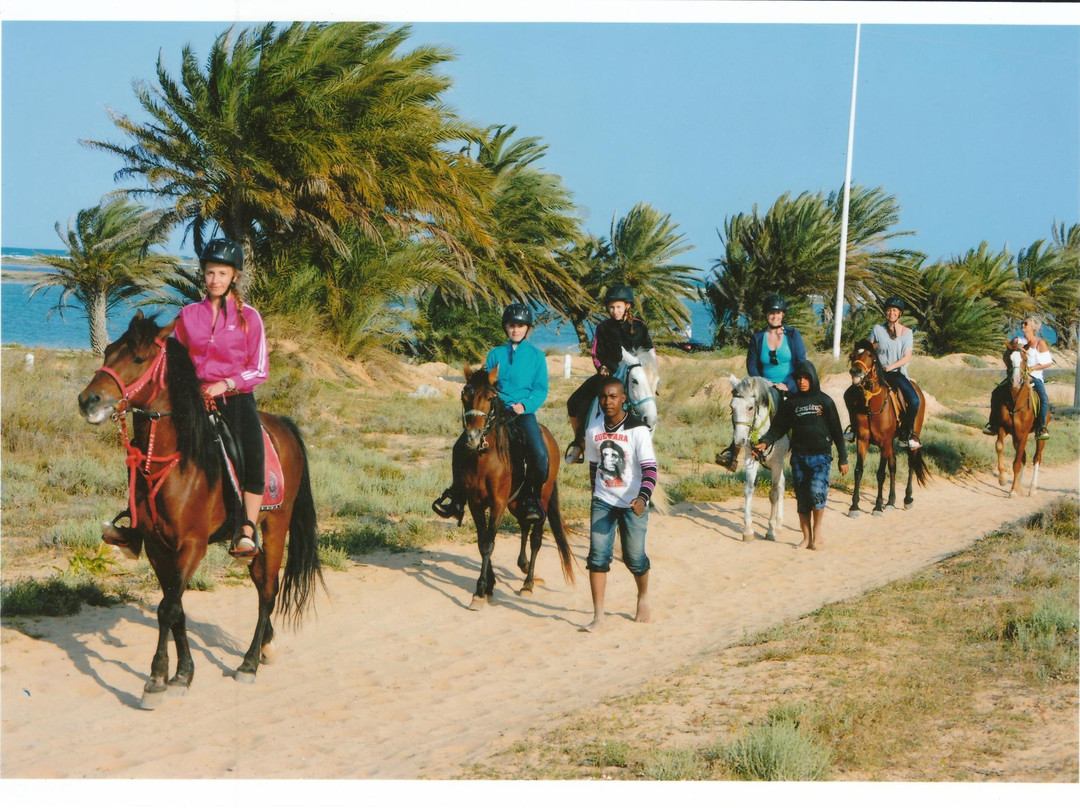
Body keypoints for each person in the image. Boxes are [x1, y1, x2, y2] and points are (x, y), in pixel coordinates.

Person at [102, 237, 269, 562]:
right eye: (210, 273)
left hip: (235, 399)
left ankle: (247, 529)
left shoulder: (249, 317)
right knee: (144, 450)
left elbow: (259, 368)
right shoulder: (188, 315)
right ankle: (135, 524)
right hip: (191, 400)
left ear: (234, 276)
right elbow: (172, 358)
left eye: (222, 273)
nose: (215, 279)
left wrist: (225, 384)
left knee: (252, 451)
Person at [432, 302, 550, 524]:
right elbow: (487, 385)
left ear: (527, 328)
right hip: (496, 411)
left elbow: (541, 389)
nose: (516, 330)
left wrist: (525, 406)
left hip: (523, 413)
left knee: (540, 454)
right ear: (506, 327)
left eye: (520, 326)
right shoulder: (495, 354)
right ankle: (457, 498)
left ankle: (531, 499)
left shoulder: (537, 356)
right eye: (512, 325)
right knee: (460, 447)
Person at [580, 378, 657, 632]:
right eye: (603, 397)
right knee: (597, 557)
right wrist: (595, 494)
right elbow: (594, 465)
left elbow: (650, 469)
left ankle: (643, 596)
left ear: (624, 398)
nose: (608, 402)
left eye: (613, 396)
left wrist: (643, 499)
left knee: (634, 558)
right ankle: (598, 616)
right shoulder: (593, 429)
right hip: (603, 501)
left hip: (634, 502)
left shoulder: (638, 430)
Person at [754, 360, 848, 551]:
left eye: (806, 378)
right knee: (803, 499)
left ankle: (817, 534)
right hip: (799, 457)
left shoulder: (825, 401)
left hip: (821, 456)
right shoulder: (791, 404)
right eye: (799, 378)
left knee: (817, 494)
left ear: (813, 379)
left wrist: (843, 458)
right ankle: (806, 538)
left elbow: (837, 432)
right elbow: (778, 427)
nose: (802, 381)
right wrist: (765, 441)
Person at [564, 284, 655, 465]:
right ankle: (579, 443)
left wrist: (650, 374)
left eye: (618, 307)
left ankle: (645, 445)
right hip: (609, 376)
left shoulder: (640, 327)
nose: (615, 311)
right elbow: (596, 353)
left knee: (647, 406)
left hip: (636, 377)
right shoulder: (603, 327)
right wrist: (601, 368)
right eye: (611, 307)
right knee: (574, 401)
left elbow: (650, 352)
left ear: (627, 306)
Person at [716, 293, 807, 470]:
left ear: (783, 314)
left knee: (803, 414)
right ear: (766, 315)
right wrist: (763, 384)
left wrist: (788, 384)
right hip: (764, 386)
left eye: (778, 313)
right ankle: (732, 452)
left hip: (790, 385)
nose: (775, 316)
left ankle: (802, 449)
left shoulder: (793, 335)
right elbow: (752, 365)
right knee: (742, 407)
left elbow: (801, 362)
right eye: (771, 313)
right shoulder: (758, 338)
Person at [845, 295, 922, 450]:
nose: (891, 313)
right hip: (877, 373)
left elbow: (907, 357)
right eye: (888, 310)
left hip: (897, 373)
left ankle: (907, 434)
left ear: (900, 313)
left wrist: (891, 366)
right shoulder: (877, 329)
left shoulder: (907, 333)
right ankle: (853, 429)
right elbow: (869, 349)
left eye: (894, 310)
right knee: (849, 394)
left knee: (914, 401)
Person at [984, 316, 1054, 439]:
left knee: (1043, 399)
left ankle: (1041, 427)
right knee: (996, 393)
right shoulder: (1017, 340)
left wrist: (1032, 369)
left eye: (1026, 323)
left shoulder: (1040, 343)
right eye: (1022, 323)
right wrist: (1011, 368)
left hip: (1034, 377)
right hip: (1016, 374)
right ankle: (993, 424)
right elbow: (1006, 355)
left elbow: (1048, 363)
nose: (1023, 325)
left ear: (1033, 327)